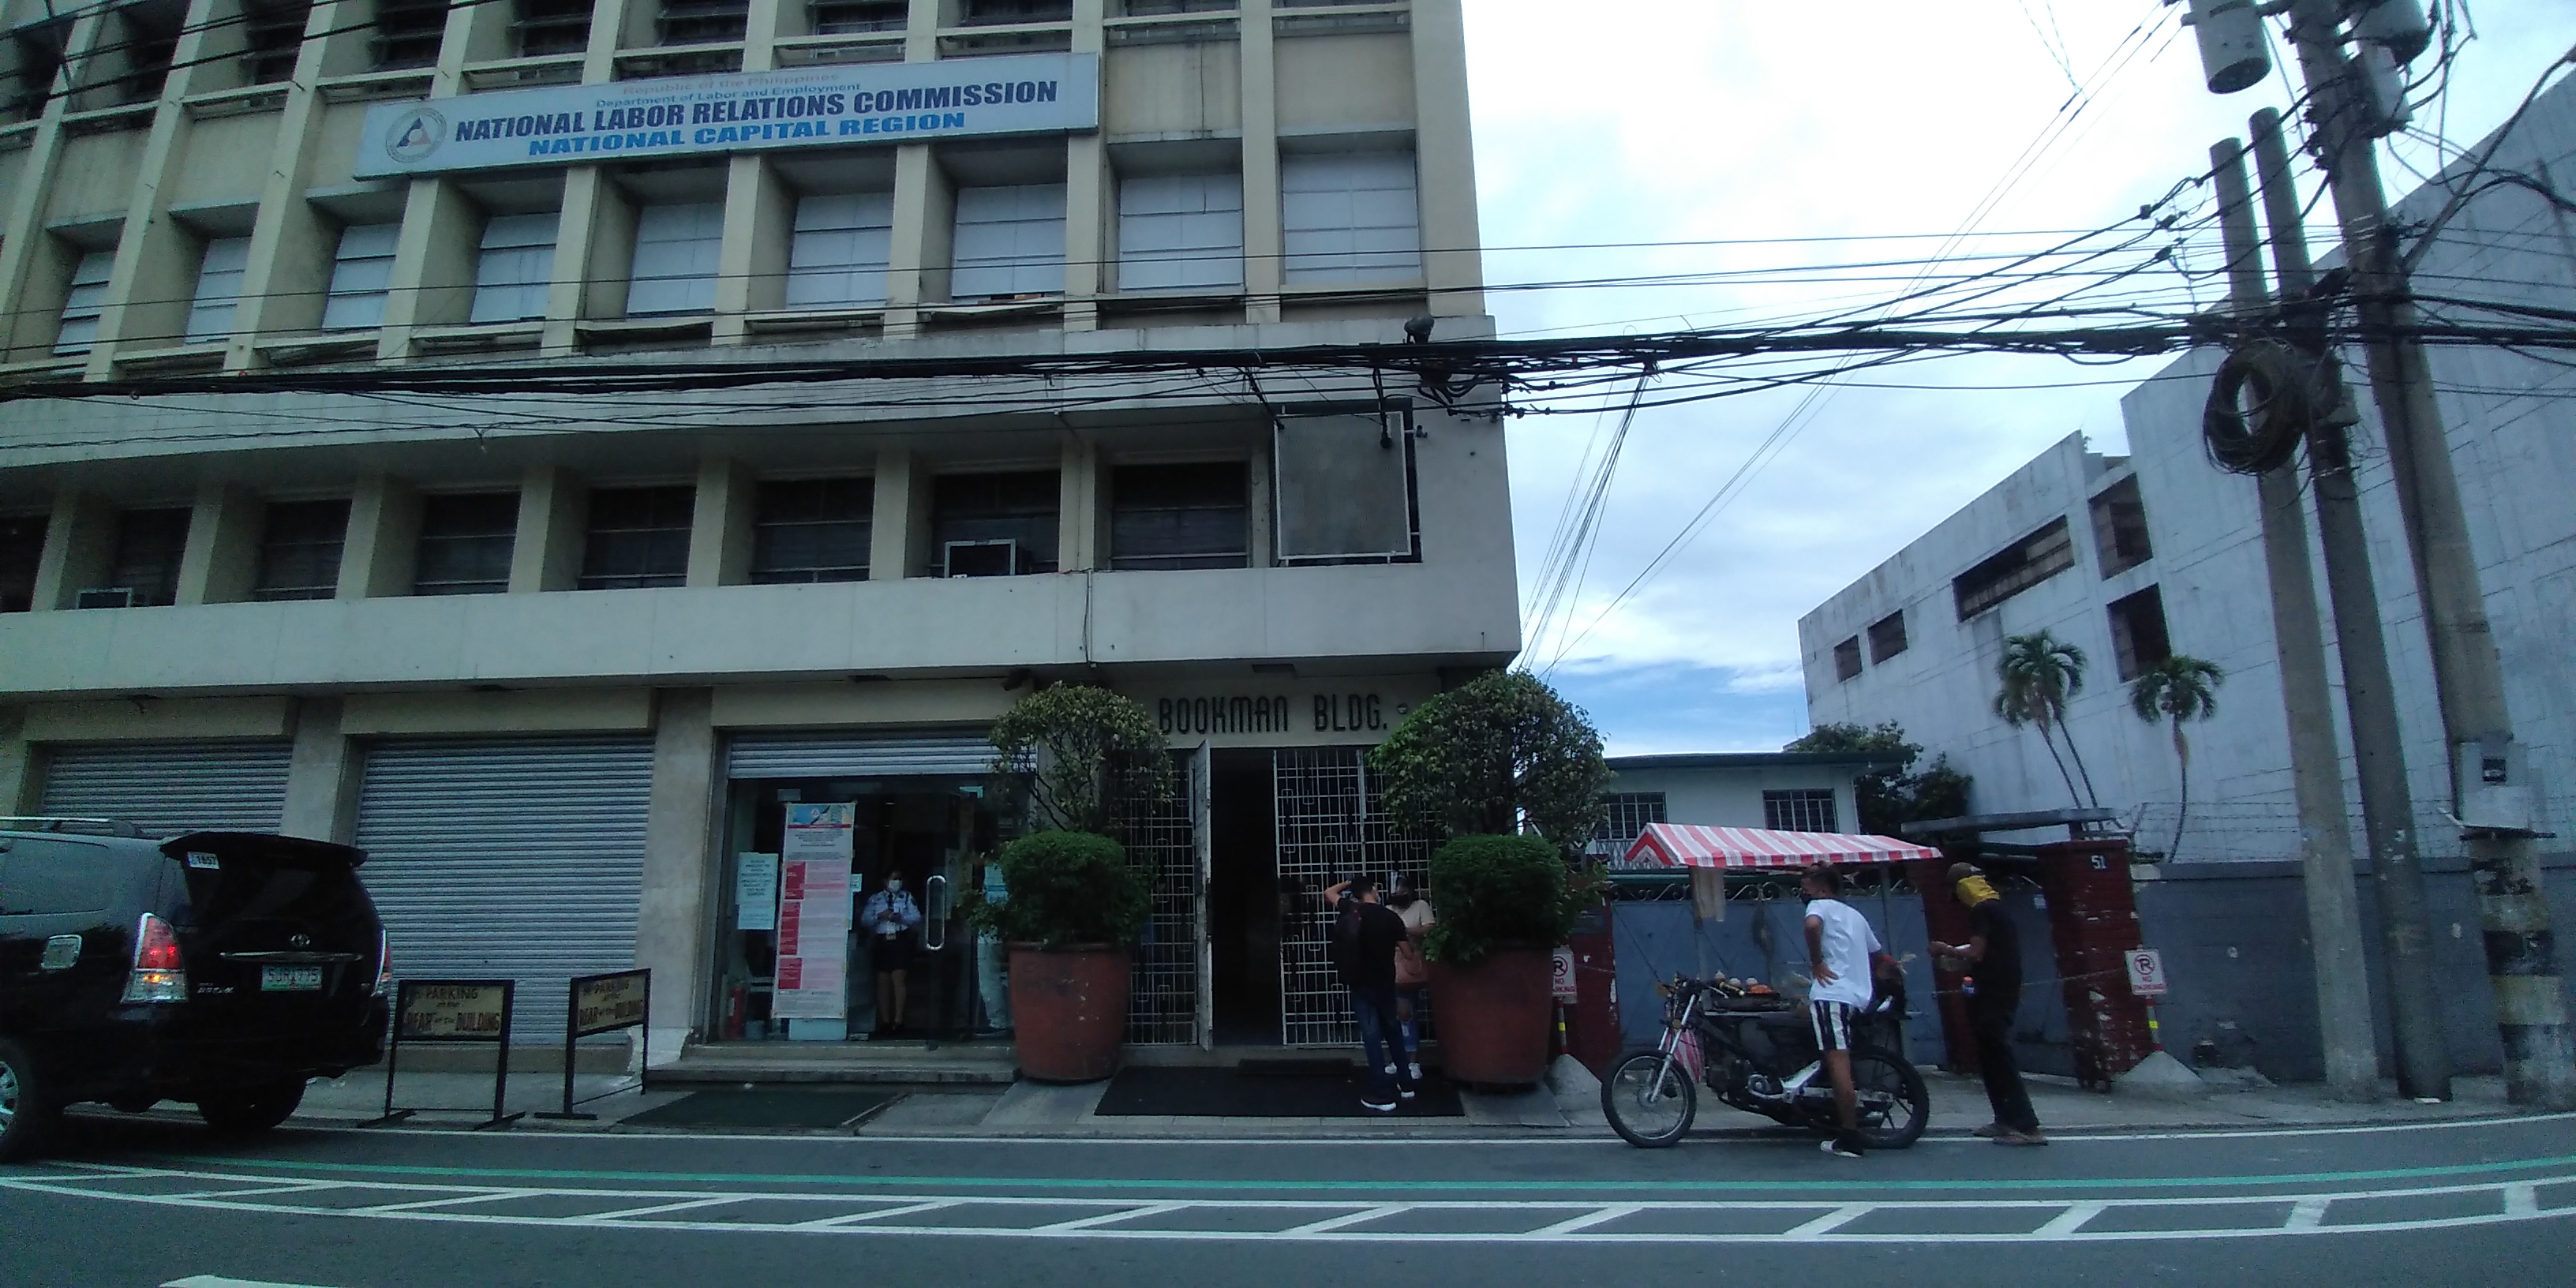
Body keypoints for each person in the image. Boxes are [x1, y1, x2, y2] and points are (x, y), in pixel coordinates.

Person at [1933, 863, 2046, 1147]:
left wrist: (1943, 949)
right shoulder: (1996, 909)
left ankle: (2027, 1126)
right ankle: (2005, 1119)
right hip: (1996, 988)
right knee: (1989, 1056)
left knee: (1999, 1055)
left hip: (1994, 992)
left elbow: (1977, 952)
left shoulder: (1983, 910)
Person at [1800, 863, 1897, 1159]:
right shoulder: (1856, 915)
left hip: (1832, 994)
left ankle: (1850, 1137)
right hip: (1857, 997)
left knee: (1837, 1062)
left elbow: (1812, 926)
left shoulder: (1820, 907)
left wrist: (1816, 962)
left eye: (1807, 890)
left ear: (1824, 890)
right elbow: (1877, 955)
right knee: (1836, 1056)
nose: (1803, 896)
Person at [1324, 874, 1415, 1111]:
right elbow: (1407, 953)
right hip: (1386, 983)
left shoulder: (1352, 911)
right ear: (1374, 890)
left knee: (1372, 1038)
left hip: (1362, 984)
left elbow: (1328, 893)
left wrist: (1349, 882)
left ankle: (1381, 1093)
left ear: (1355, 894)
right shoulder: (1391, 917)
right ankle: (1406, 1084)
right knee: (1394, 1033)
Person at [861, 872, 923, 1037]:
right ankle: (885, 1021)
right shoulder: (876, 899)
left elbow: (916, 917)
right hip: (882, 941)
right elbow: (865, 920)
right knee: (883, 981)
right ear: (884, 880)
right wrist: (879, 916)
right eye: (892, 878)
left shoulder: (906, 897)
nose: (896, 882)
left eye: (898, 878)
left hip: (900, 940)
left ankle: (898, 1020)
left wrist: (900, 918)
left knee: (899, 979)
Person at [1388, 874, 1436, 1084]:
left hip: (1410, 965)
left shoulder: (1420, 906)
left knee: (1407, 1013)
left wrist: (1405, 932)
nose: (1398, 895)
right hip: (1391, 966)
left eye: (1401, 891)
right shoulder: (1390, 909)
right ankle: (1398, 1058)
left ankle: (1412, 1060)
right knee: (1394, 1015)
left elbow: (1429, 928)